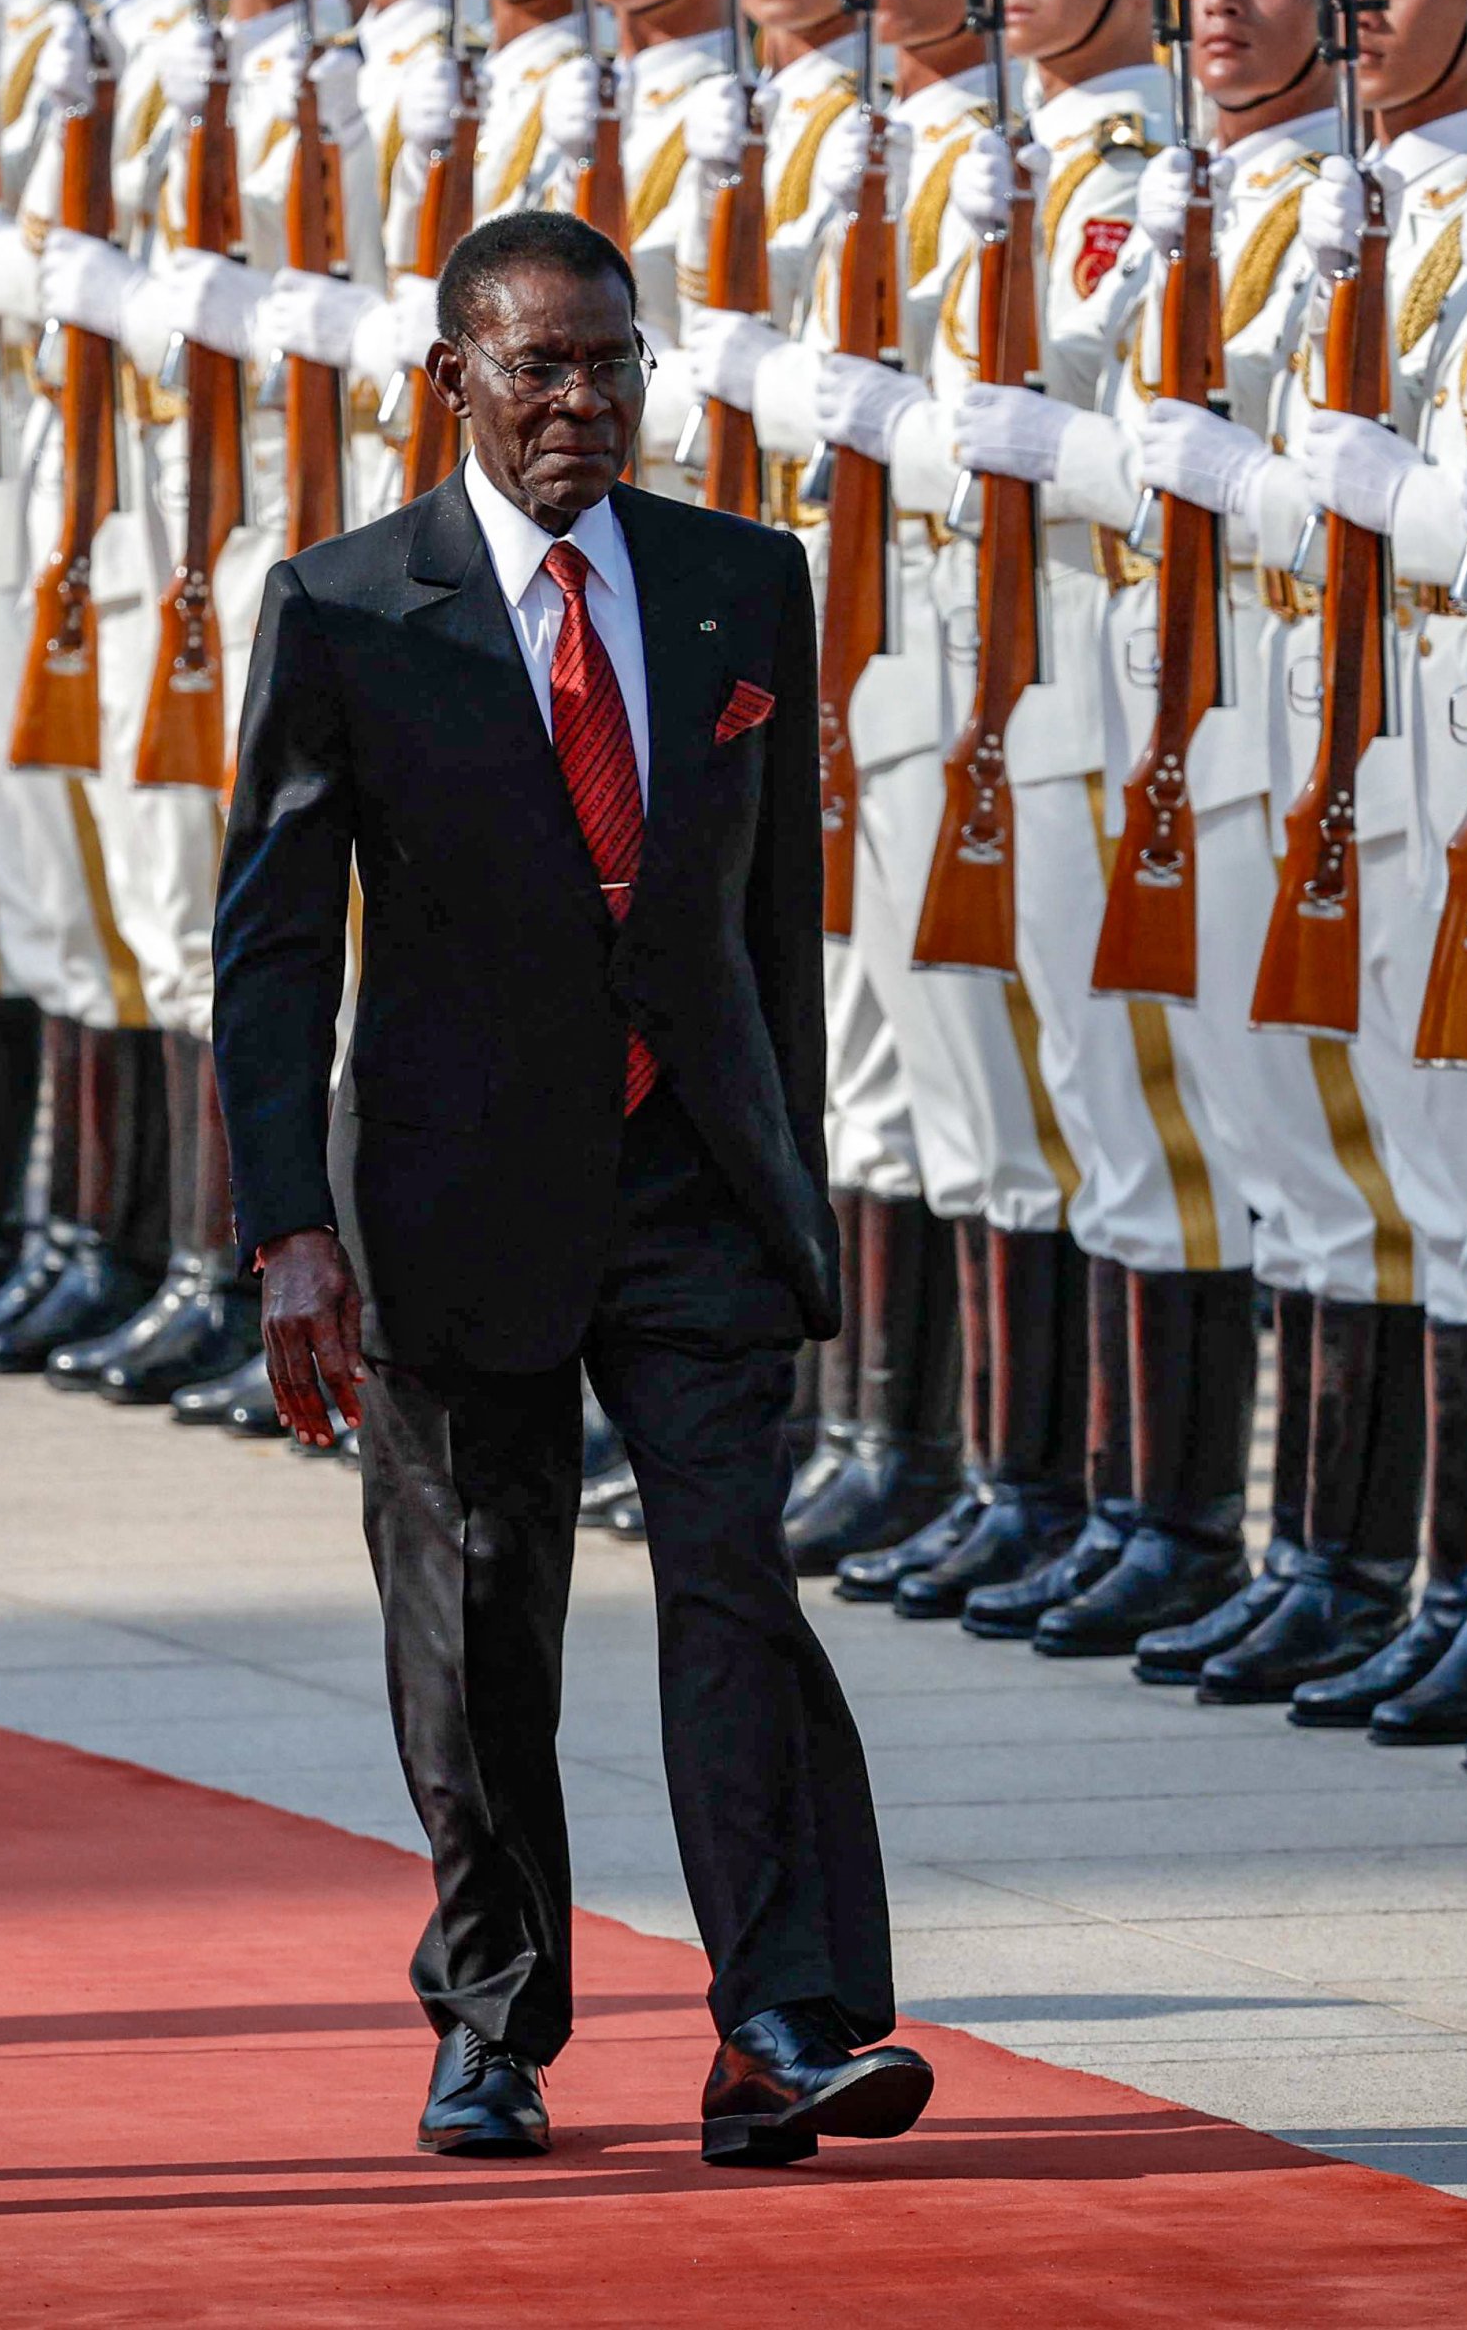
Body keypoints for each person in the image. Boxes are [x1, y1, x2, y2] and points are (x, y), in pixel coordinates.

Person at [211, 207, 931, 2169]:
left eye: (613, 364)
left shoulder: (734, 587)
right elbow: (271, 947)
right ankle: (492, 2019)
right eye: (539, 367)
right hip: (450, 1196)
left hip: (687, 1181)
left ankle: (777, 2018)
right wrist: (288, 1227)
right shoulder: (351, 608)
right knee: (478, 1614)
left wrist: (778, 1172)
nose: (583, 404)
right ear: (447, 379)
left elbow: (764, 917)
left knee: (729, 1578)